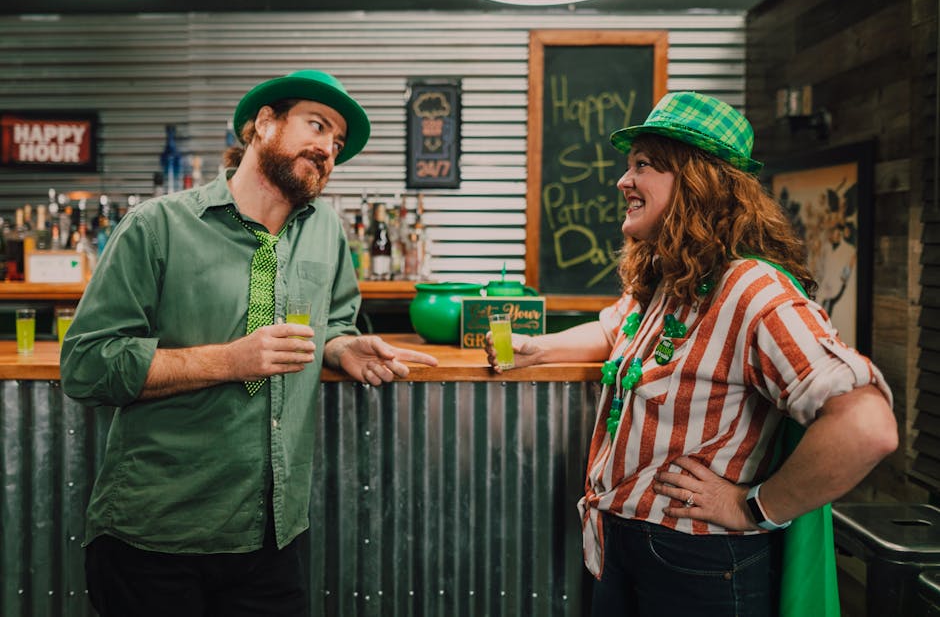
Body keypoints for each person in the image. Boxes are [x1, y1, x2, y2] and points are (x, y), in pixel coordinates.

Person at [485, 91, 897, 616]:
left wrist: (754, 508)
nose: (623, 181)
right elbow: (615, 330)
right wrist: (537, 350)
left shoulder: (752, 289)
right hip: (627, 543)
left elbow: (867, 427)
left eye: (643, 166)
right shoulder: (675, 280)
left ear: (699, 184)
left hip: (699, 560)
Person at [61, 69, 438, 617]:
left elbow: (330, 321)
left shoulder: (325, 232)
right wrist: (229, 360)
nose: (328, 148)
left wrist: (339, 346)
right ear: (263, 124)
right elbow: (85, 365)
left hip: (273, 538)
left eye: (336, 142)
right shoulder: (156, 227)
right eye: (317, 125)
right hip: (156, 537)